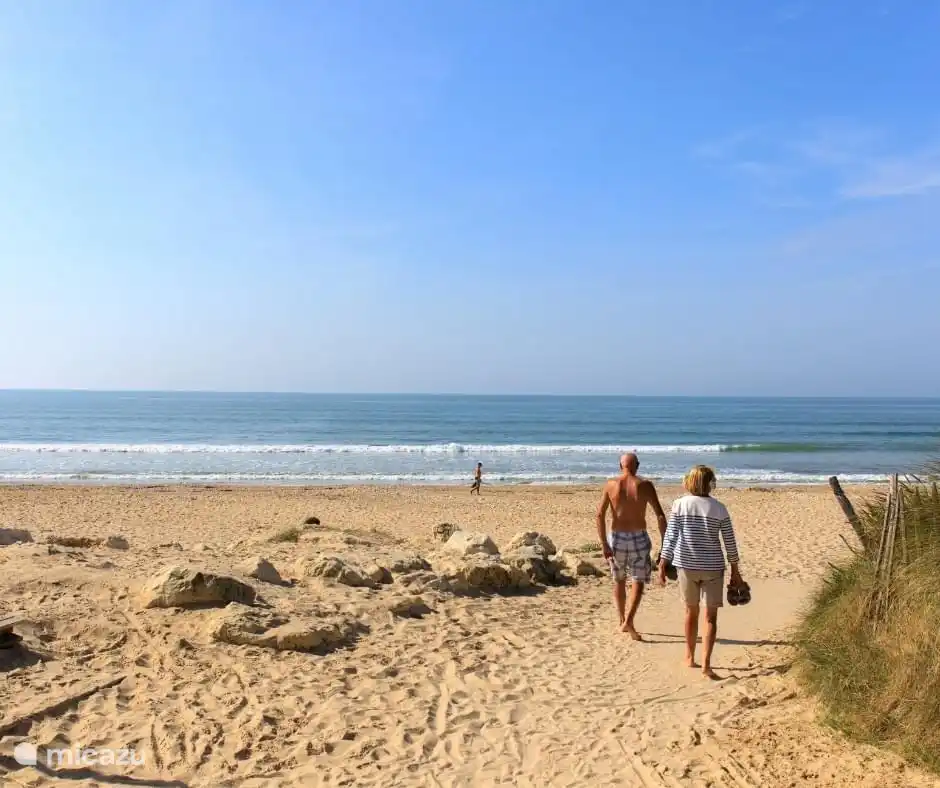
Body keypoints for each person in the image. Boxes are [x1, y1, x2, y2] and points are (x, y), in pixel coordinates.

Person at [657, 464, 744, 680]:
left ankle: (689, 657)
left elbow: (671, 536)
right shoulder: (719, 508)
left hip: (686, 566)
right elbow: (730, 543)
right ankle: (706, 664)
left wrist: (662, 562)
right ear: (709, 484)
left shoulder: (679, 505)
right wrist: (735, 570)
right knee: (711, 617)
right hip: (713, 566)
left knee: (690, 613)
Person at [596, 453, 668, 640]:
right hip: (638, 536)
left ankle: (621, 620)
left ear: (621, 466)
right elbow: (659, 515)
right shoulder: (645, 485)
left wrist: (604, 543)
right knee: (638, 580)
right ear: (637, 465)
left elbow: (599, 515)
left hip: (617, 537)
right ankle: (629, 620)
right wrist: (665, 542)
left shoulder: (611, 485)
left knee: (619, 580)